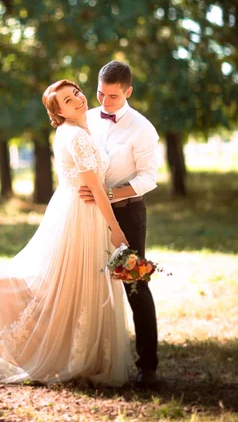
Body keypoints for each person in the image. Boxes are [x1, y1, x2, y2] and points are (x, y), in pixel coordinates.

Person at [0, 79, 135, 386]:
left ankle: (85, 356)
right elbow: (94, 186)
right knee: (64, 283)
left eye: (76, 93)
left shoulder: (79, 129)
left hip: (81, 210)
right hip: (80, 214)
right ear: (60, 112)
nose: (77, 100)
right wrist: (116, 230)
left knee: (79, 284)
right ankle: (62, 353)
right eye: (67, 100)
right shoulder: (75, 136)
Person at [80, 61, 159, 388]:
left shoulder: (142, 129)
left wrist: (108, 193)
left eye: (112, 96)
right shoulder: (85, 119)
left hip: (126, 214)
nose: (104, 101)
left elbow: (149, 178)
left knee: (134, 285)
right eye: (100, 92)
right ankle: (90, 359)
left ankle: (148, 366)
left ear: (128, 92)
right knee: (86, 283)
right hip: (87, 215)